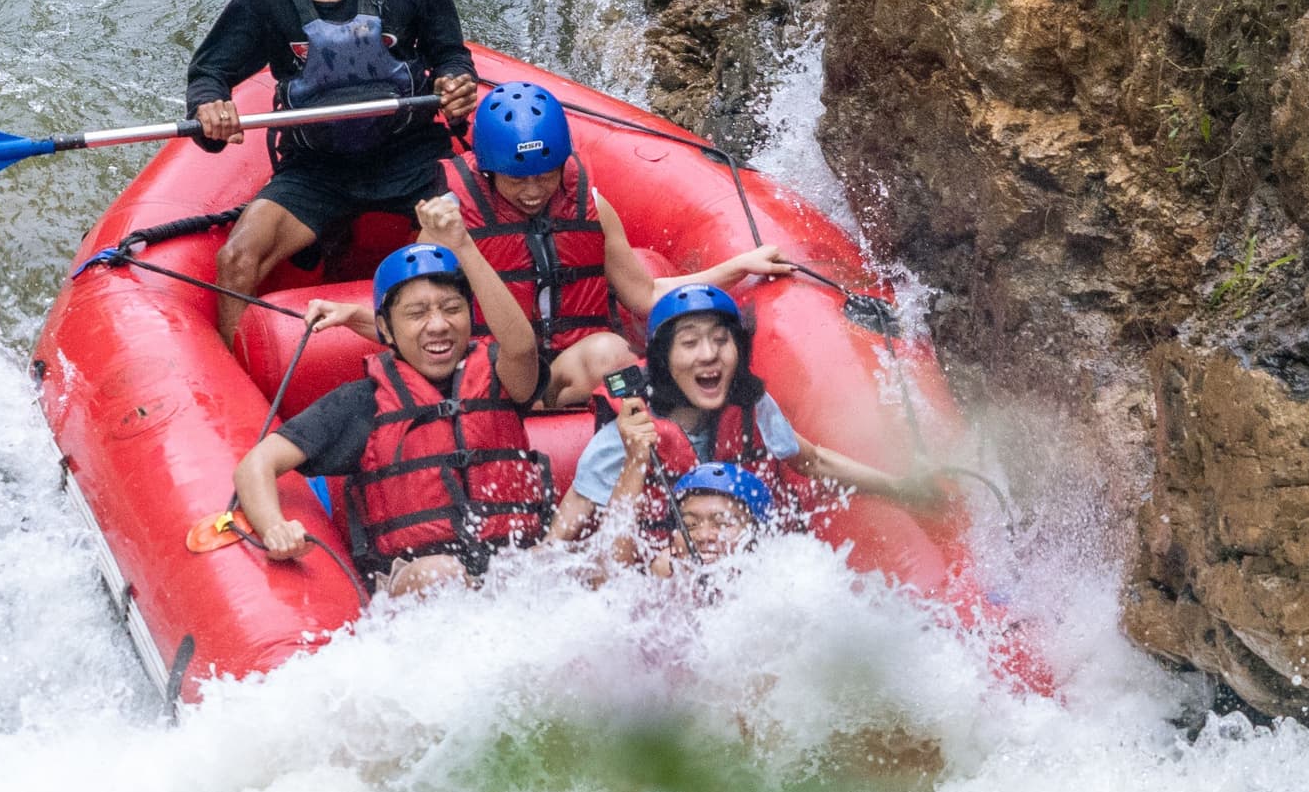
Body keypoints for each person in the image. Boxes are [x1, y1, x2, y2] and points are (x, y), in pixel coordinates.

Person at [185, 0, 482, 345]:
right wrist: (211, 105)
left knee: (445, 254)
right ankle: (242, 384)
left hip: (408, 153)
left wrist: (457, 81)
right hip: (318, 166)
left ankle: (449, 364)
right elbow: (211, 71)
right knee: (236, 258)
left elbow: (450, 54)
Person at [326, 79, 789, 408]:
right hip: (489, 372)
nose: (532, 191)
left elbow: (644, 296)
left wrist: (736, 267)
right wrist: (355, 319)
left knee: (611, 349)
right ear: (487, 171)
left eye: (545, 177)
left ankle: (648, 439)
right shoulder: (451, 222)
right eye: (516, 180)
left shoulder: (590, 205)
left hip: (565, 374)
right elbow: (418, 321)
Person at [231, 194, 547, 600]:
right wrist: (275, 526)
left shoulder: (502, 377)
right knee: (441, 573)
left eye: (452, 309)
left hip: (508, 568)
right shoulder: (363, 402)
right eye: (417, 315)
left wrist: (463, 244)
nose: (438, 325)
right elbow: (256, 464)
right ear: (387, 329)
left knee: (543, 564)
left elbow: (521, 347)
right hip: (413, 577)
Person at [554, 283, 946, 544]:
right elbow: (559, 540)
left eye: (721, 340)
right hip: (662, 578)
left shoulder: (750, 404)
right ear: (664, 360)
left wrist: (903, 488)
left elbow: (813, 460)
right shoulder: (623, 438)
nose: (709, 354)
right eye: (689, 343)